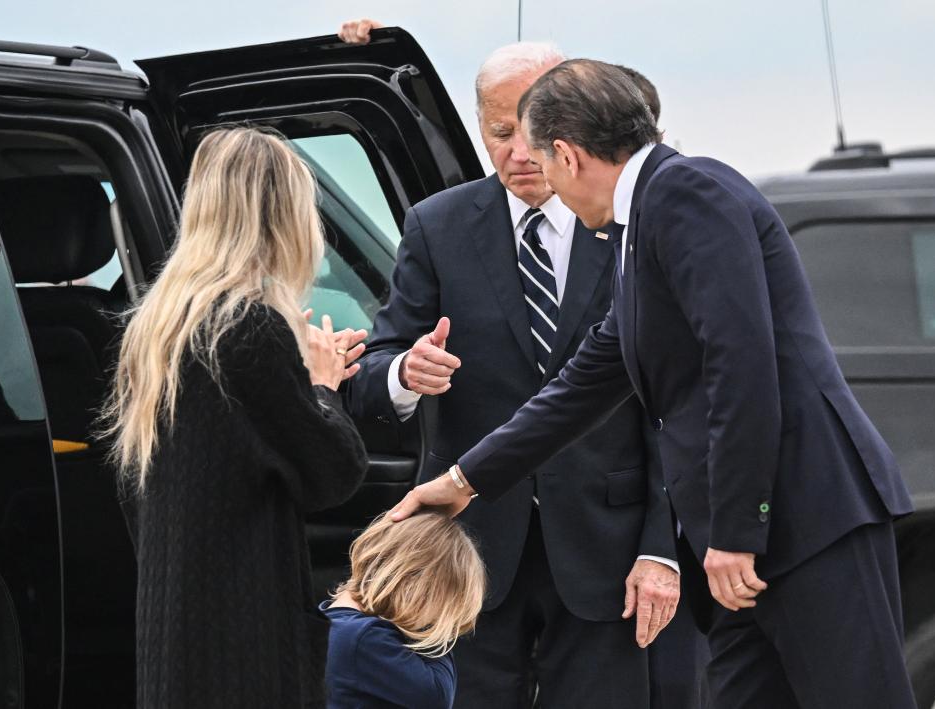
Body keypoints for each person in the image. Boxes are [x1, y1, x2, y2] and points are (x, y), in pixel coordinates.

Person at [391, 59, 919, 709]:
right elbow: (585, 381)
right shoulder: (640, 223)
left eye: (547, 167)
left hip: (805, 521)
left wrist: (734, 532)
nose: (548, 187)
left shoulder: (687, 191)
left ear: (568, 154)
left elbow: (741, 363)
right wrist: (461, 482)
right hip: (741, 547)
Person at [341, 24, 698, 708]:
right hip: (468, 552)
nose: (517, 149)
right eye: (499, 130)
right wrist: (403, 374)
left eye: (532, 126)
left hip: (607, 548)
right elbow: (371, 375)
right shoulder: (436, 226)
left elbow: (668, 403)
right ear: (479, 127)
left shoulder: (625, 224)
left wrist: (660, 546)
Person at [102, 127, 370, 709]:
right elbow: (332, 474)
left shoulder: (154, 326)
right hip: (241, 633)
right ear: (282, 216)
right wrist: (321, 384)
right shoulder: (251, 329)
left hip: (171, 618)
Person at [322, 512, 486, 708]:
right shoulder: (364, 637)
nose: (435, 622)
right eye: (441, 611)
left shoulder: (336, 624)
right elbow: (437, 697)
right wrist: (433, 636)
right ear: (418, 588)